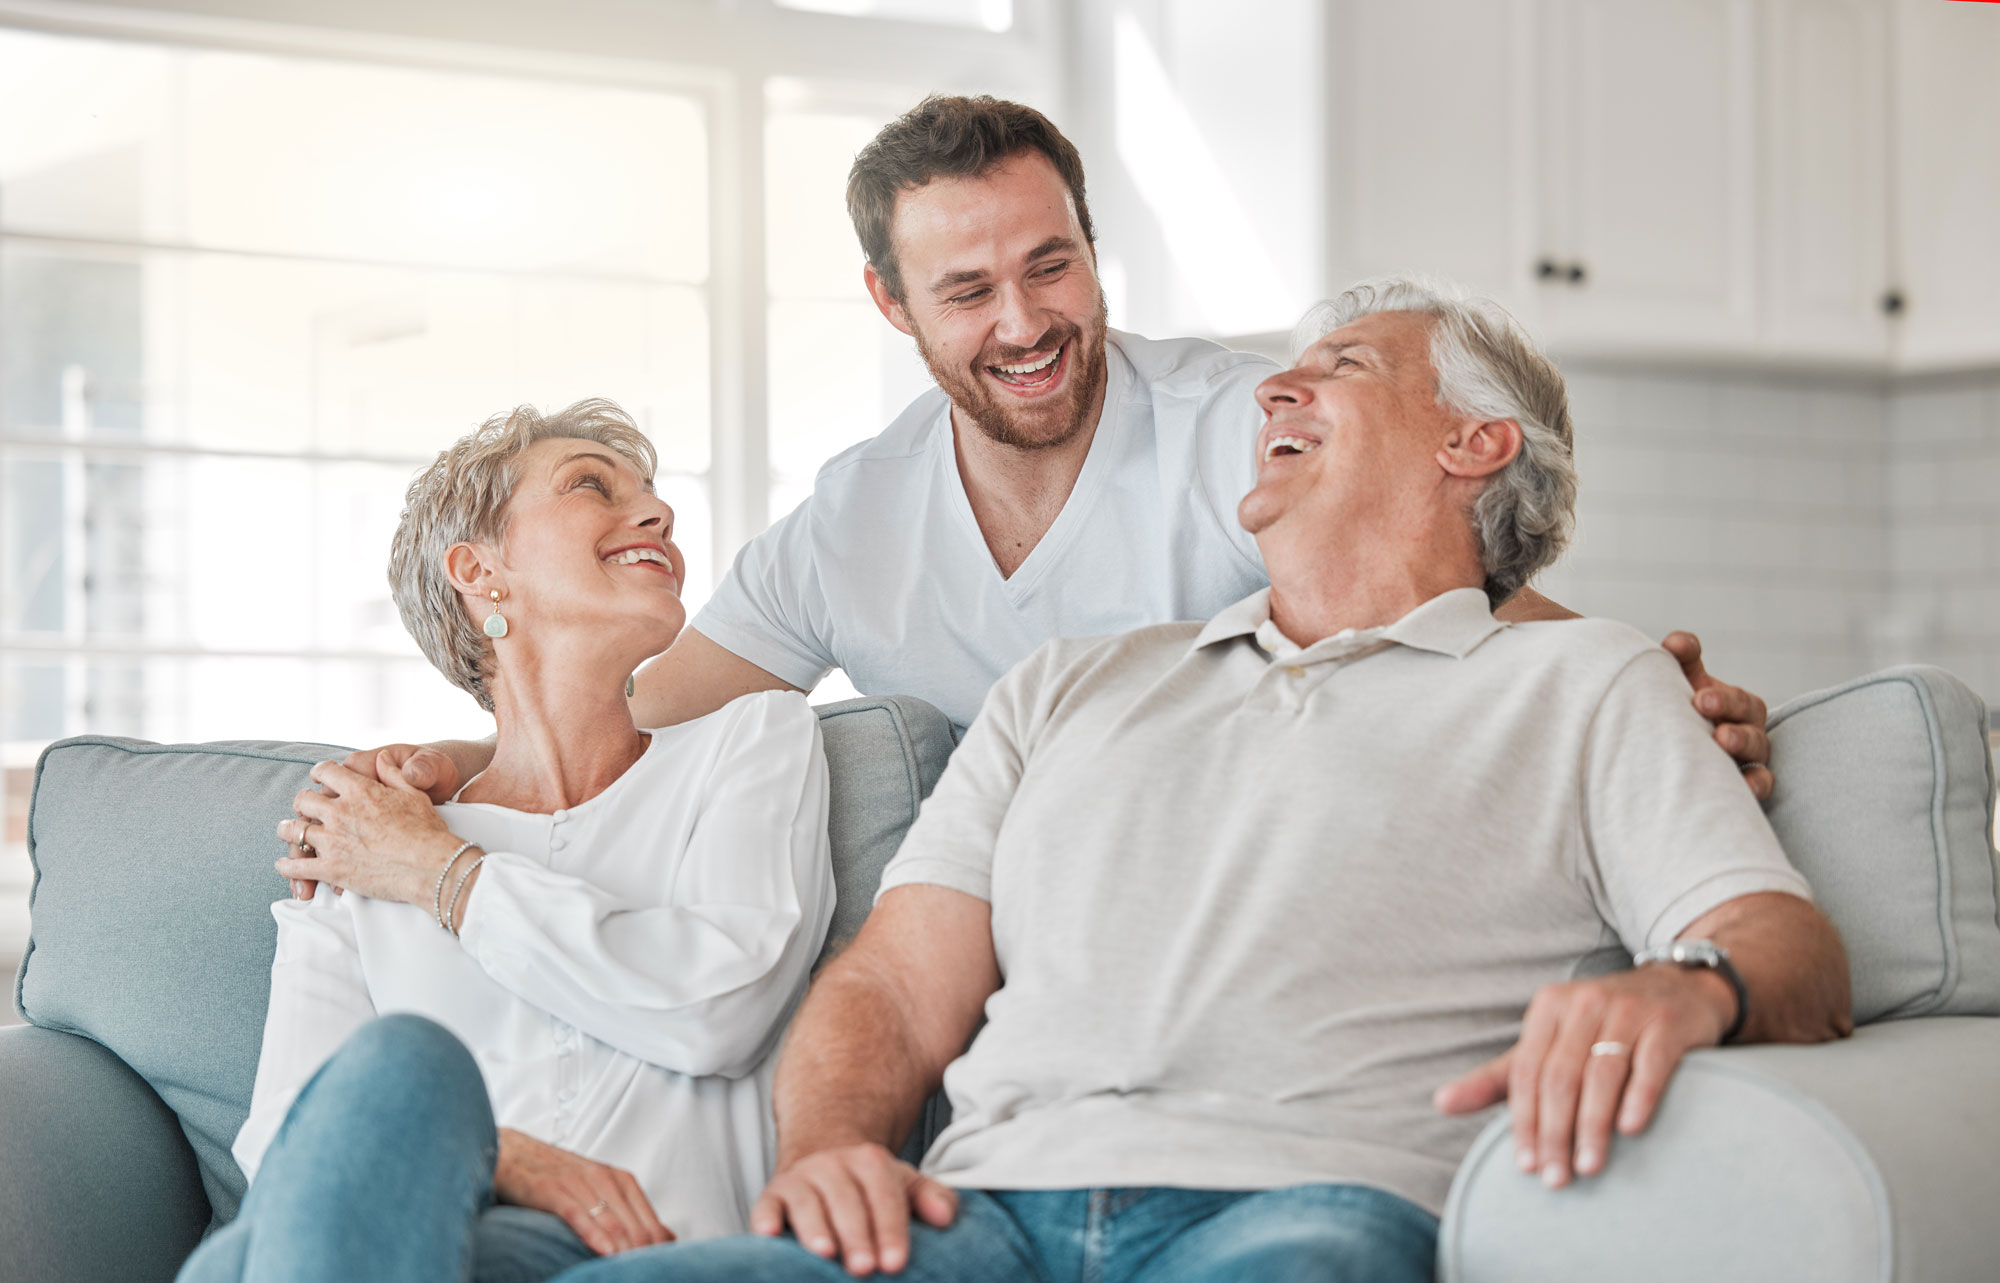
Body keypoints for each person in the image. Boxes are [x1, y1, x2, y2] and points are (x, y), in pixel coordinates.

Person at [547, 279, 1854, 1283]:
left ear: (1473, 444)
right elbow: (890, 983)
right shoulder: (1072, 682)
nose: (1275, 390)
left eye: (1340, 368)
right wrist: (827, 1146)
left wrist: (1689, 985)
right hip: (976, 1215)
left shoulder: (1584, 681)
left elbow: (1783, 942)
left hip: (1302, 1210)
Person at [348, 95, 1775, 803]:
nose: (1027, 324)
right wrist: (465, 768)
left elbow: (1477, 603)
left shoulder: (1244, 424)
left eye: (1054, 266)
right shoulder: (854, 523)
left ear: (1095, 248)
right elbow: (634, 723)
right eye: (967, 293)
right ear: (892, 305)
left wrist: (1653, 696)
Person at [178, 401, 835, 1283]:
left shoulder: (751, 742)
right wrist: (500, 1154)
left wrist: (443, 875)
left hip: (652, 1260)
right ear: (479, 571)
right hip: (414, 1245)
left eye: (652, 496)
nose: (658, 515)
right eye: (591, 486)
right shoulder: (364, 837)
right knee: (395, 1077)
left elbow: (721, 1005)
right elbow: (288, 1150)